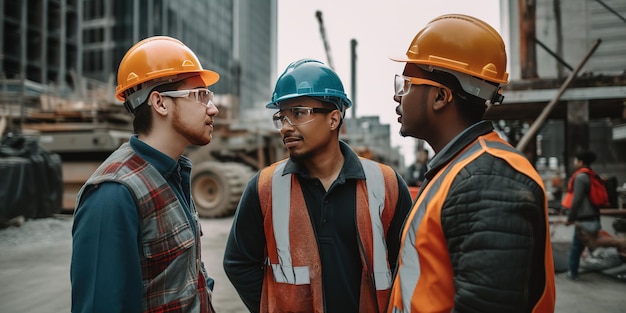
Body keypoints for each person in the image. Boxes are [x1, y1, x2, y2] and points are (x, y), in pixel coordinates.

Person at [386, 14, 556, 312]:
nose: (397, 96)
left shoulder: (487, 181)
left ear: (440, 96)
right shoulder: (457, 169)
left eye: (407, 84)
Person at [223, 59, 413, 313]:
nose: (286, 127)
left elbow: (409, 263)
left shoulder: (386, 184)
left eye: (299, 113)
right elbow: (238, 262)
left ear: (334, 119)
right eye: (281, 116)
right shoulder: (265, 188)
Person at [70, 36, 220, 313]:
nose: (213, 108)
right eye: (200, 95)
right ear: (160, 103)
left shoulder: (174, 173)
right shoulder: (113, 194)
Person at [563, 150, 626, 280]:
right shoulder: (592, 175)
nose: (574, 162)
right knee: (581, 245)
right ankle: (573, 271)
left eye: (576, 160)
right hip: (592, 217)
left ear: (580, 162)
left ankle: (572, 272)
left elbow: (577, 200)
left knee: (584, 245)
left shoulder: (581, 177)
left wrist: (570, 218)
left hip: (584, 219)